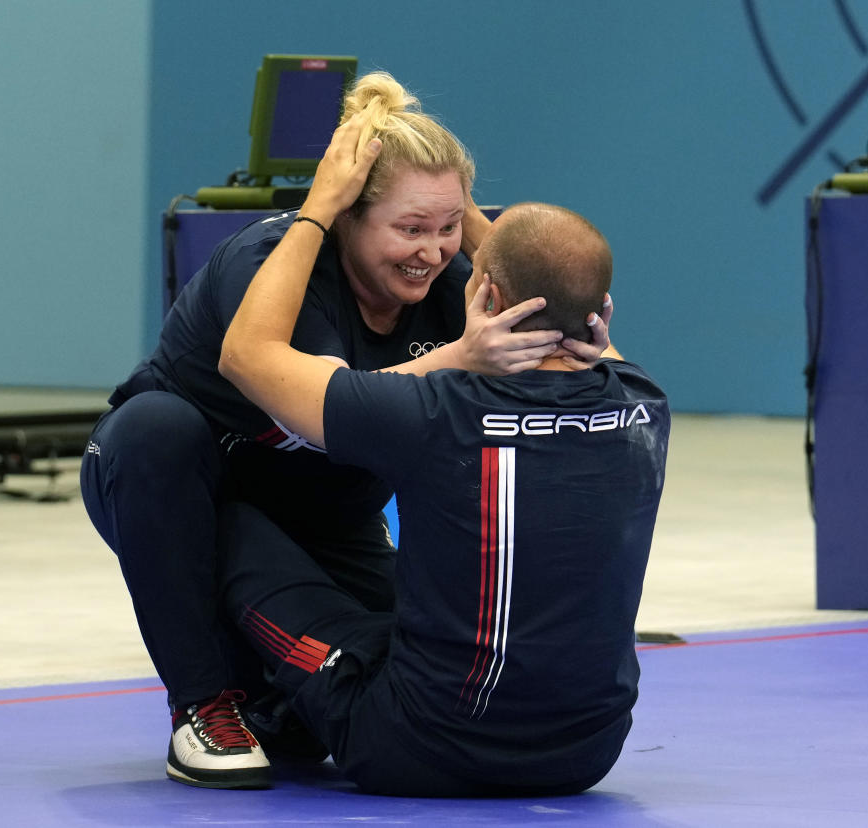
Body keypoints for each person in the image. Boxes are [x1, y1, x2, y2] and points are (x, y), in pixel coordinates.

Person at [79, 71, 611, 790]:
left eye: (448, 226)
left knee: (392, 674)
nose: (430, 250)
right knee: (155, 428)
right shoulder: (271, 265)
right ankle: (203, 708)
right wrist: (321, 207)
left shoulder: (457, 284)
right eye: (409, 228)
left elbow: (551, 316)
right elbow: (329, 406)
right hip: (180, 491)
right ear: (349, 220)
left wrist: (507, 270)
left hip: (325, 511)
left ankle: (274, 706)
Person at [215, 105, 670, 796]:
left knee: (218, 511)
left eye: (452, 234)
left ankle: (229, 706)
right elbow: (563, 295)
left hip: (418, 751)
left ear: (484, 287)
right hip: (586, 755)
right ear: (599, 313)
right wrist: (470, 225)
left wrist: (319, 211)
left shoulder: (436, 411)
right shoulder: (645, 406)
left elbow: (248, 356)